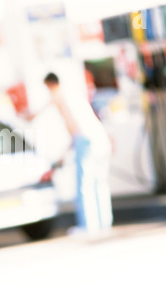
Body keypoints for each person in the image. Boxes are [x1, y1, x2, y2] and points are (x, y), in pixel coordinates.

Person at [28, 72, 114, 235]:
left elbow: (73, 130)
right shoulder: (75, 95)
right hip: (99, 138)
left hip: (86, 140)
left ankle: (88, 226)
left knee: (85, 185)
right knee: (99, 183)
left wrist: (24, 116)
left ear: (50, 85)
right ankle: (103, 223)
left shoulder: (58, 95)